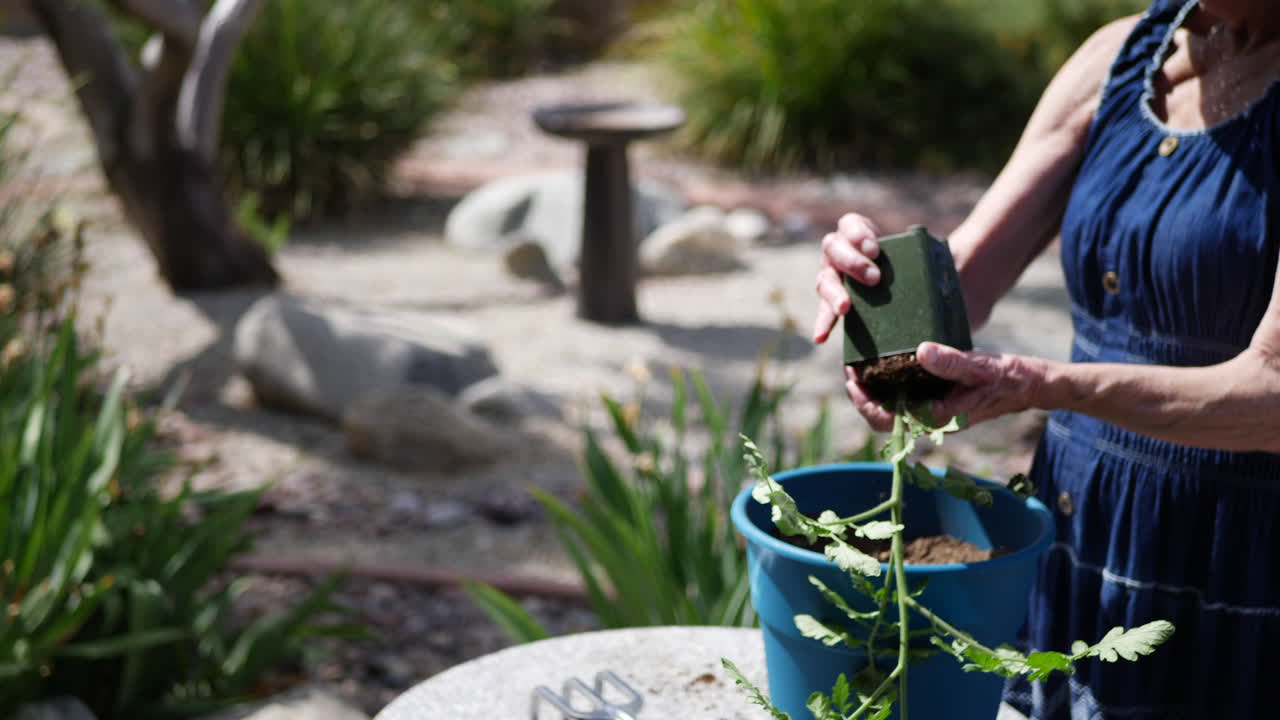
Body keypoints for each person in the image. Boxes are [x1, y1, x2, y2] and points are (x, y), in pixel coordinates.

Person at [812, 0, 1280, 717]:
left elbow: (1273, 395)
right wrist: (880, 297)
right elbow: (963, 276)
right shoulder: (1123, 54)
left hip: (1236, 561)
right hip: (1078, 527)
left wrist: (1052, 386)